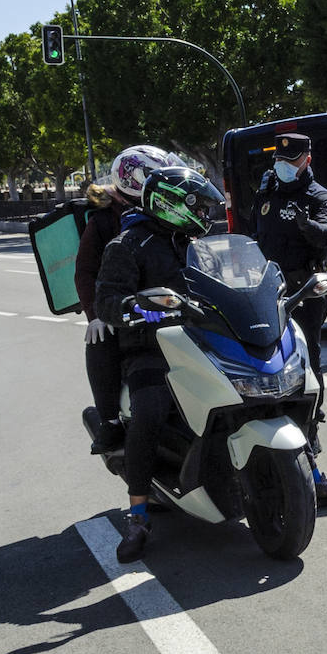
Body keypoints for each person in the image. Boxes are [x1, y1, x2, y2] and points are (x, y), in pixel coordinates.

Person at [94, 166, 224, 563]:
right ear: (169, 203)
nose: (205, 213)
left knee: (269, 386)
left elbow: (224, 284)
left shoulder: (196, 244)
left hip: (204, 341)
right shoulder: (127, 244)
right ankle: (138, 514)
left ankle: (312, 477)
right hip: (152, 349)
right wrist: (134, 307)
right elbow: (106, 301)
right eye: (197, 206)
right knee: (150, 410)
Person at [248, 132, 327, 506]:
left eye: (292, 158)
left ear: (307, 159)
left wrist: (306, 225)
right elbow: (251, 235)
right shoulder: (268, 192)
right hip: (267, 291)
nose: (283, 164)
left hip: (304, 291)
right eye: (279, 158)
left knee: (305, 362)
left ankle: (309, 435)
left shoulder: (317, 197)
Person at [76, 145, 182, 454]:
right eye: (151, 176)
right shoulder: (102, 221)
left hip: (168, 301)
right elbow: (84, 272)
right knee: (100, 339)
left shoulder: (163, 208)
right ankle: (108, 423)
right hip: (126, 305)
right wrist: (95, 314)